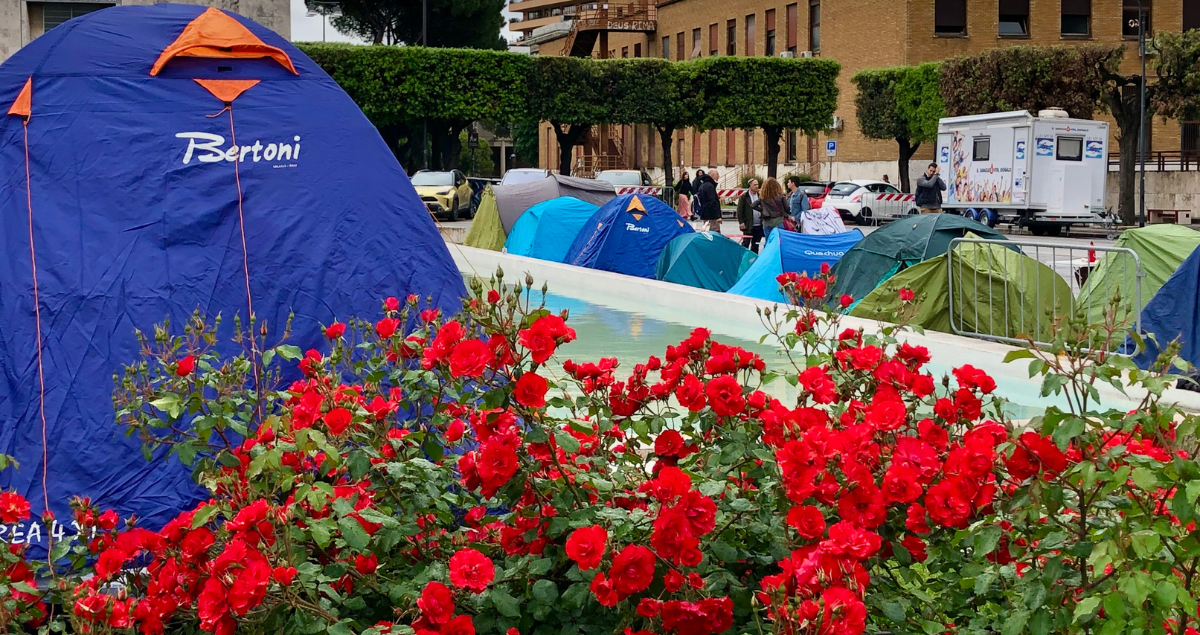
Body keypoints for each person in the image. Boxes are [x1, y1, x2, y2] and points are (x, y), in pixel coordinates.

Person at [736, 178, 763, 253]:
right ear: (750, 185)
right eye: (755, 185)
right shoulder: (744, 196)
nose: (757, 186)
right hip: (748, 224)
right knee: (746, 243)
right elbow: (740, 210)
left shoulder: (760, 195)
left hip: (758, 224)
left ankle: (753, 260)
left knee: (756, 244)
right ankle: (742, 258)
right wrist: (741, 222)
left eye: (757, 184)